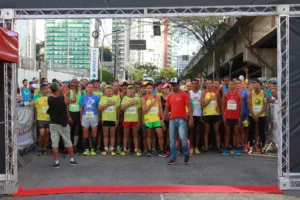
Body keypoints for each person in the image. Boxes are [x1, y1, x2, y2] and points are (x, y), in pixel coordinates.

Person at [162, 77, 192, 165]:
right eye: (172, 85)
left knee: (183, 138)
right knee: (172, 140)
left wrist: (190, 118)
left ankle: (186, 154)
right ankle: (173, 158)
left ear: (179, 85)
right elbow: (167, 108)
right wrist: (163, 120)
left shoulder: (184, 94)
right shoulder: (170, 96)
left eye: (175, 85)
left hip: (182, 119)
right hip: (172, 120)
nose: (173, 87)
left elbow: (189, 107)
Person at [47, 82, 77, 169]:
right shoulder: (63, 98)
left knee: (54, 143)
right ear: (57, 89)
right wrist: (74, 91)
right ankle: (72, 160)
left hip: (53, 123)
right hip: (63, 123)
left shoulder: (49, 98)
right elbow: (73, 100)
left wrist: (61, 91)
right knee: (68, 141)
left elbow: (54, 95)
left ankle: (56, 162)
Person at [142, 82, 166, 157]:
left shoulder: (157, 96)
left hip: (156, 119)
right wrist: (151, 104)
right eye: (147, 88)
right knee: (148, 135)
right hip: (148, 119)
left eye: (150, 88)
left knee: (160, 135)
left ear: (153, 89)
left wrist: (162, 119)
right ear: (145, 89)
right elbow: (144, 111)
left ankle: (161, 151)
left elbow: (160, 108)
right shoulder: (144, 98)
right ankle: (149, 151)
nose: (149, 89)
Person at [222, 81, 243, 156]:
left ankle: (236, 148)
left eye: (233, 84)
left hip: (236, 117)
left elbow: (240, 107)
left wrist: (240, 117)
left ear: (235, 86)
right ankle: (226, 148)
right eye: (230, 84)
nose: (232, 85)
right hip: (228, 117)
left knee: (236, 133)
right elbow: (223, 106)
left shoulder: (239, 95)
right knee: (227, 134)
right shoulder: (225, 94)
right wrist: (223, 116)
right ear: (228, 86)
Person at [248, 79, 268, 154]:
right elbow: (249, 105)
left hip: (261, 115)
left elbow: (265, 106)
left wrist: (258, 115)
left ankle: (263, 147)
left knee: (261, 131)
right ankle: (251, 147)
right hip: (252, 115)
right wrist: (254, 115)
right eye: (253, 84)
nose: (255, 85)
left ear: (260, 85)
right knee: (251, 131)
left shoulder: (264, 94)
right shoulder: (251, 94)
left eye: (256, 84)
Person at [120, 85, 142, 156]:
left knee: (135, 135)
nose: (130, 90)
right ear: (127, 90)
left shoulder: (138, 99)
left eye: (132, 89)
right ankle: (124, 149)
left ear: (134, 90)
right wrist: (130, 103)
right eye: (129, 89)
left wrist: (139, 120)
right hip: (127, 119)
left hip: (135, 119)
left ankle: (136, 149)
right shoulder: (124, 98)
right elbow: (122, 108)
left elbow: (139, 110)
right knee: (125, 135)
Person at [201, 79, 222, 153]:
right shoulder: (204, 92)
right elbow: (202, 104)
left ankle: (218, 147)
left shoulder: (216, 92)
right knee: (206, 131)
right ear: (206, 84)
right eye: (208, 83)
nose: (209, 84)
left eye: (210, 83)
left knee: (217, 131)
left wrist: (219, 112)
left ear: (212, 84)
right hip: (206, 114)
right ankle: (206, 147)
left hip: (215, 114)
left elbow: (220, 103)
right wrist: (210, 99)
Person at [99, 85, 120, 156]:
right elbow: (100, 108)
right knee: (105, 134)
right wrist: (108, 104)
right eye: (107, 89)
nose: (109, 90)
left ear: (113, 91)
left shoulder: (116, 98)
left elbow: (118, 110)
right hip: (105, 118)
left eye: (110, 89)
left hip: (113, 119)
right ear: (105, 91)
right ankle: (105, 148)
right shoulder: (102, 98)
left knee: (112, 134)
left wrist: (117, 119)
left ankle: (112, 149)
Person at [80, 82, 100, 156]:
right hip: (85, 116)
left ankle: (93, 149)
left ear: (93, 88)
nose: (90, 88)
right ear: (86, 88)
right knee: (85, 133)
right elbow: (81, 108)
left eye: (92, 87)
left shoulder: (96, 97)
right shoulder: (83, 97)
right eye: (89, 87)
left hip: (94, 116)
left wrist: (98, 117)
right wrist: (81, 117)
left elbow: (98, 108)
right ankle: (86, 149)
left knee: (94, 133)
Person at [32, 84, 50, 156]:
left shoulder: (49, 97)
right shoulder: (36, 97)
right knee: (42, 133)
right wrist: (28, 104)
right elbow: (32, 103)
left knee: (47, 133)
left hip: (48, 118)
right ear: (42, 90)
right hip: (40, 118)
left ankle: (45, 148)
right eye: (46, 89)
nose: (48, 90)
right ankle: (39, 148)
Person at [66, 79, 81, 154]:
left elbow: (81, 105)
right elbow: (67, 105)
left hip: (78, 113)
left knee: (77, 131)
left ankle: (75, 146)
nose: (74, 86)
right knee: (69, 130)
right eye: (73, 84)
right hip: (71, 113)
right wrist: (68, 116)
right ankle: (68, 146)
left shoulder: (81, 92)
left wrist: (81, 116)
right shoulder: (69, 92)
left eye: (75, 84)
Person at [189, 79, 202, 154]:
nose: (194, 85)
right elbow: (188, 104)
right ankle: (191, 147)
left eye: (196, 84)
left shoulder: (201, 92)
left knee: (197, 132)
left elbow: (202, 105)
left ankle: (196, 147)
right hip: (192, 115)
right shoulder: (189, 93)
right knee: (191, 132)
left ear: (198, 84)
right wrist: (190, 116)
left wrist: (201, 115)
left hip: (198, 114)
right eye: (193, 84)